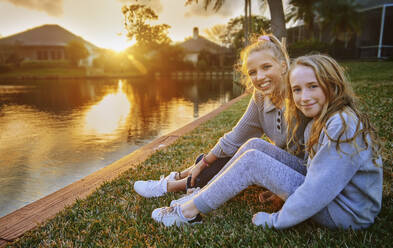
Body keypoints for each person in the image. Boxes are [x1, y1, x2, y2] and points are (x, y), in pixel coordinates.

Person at [151, 54, 383, 230]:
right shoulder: (319, 121)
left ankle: (188, 213)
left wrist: (275, 220)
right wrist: (280, 189)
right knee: (255, 145)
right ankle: (195, 197)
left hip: (346, 213)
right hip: (333, 197)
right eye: (297, 90)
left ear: (332, 85)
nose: (304, 97)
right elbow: (315, 173)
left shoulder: (340, 124)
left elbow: (316, 191)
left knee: (253, 161)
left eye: (313, 86)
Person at [133, 34, 308, 204]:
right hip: (282, 162)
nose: (259, 77)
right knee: (231, 151)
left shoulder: (302, 96)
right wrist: (202, 163)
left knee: (250, 149)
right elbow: (235, 138)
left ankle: (173, 186)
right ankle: (181, 177)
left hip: (306, 174)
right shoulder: (261, 97)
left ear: (284, 66)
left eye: (266, 67)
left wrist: (279, 188)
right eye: (253, 72)